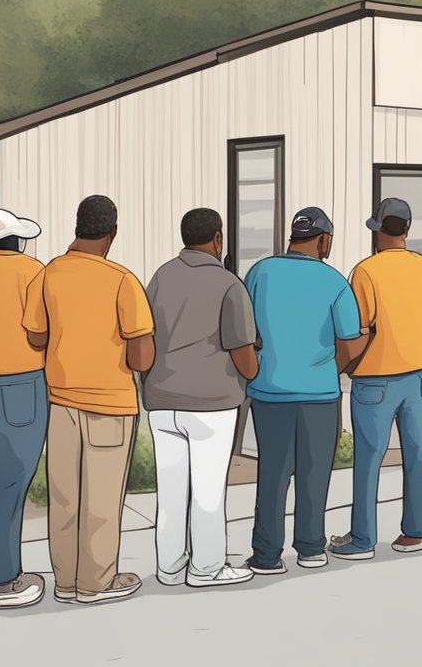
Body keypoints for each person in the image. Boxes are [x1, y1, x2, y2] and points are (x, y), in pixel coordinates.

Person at [21, 195, 154, 605]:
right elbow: (142, 355)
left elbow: (35, 337)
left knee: (64, 496)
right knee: (101, 496)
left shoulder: (48, 275)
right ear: (112, 233)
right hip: (110, 404)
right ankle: (96, 582)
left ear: (77, 227)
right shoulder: (122, 280)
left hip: (60, 401)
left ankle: (65, 581)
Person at [244, 207, 367, 576]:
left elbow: (244, 329)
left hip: (269, 391)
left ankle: (266, 555)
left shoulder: (259, 272)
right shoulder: (334, 282)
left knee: (272, 473)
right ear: (324, 240)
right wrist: (333, 367)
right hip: (319, 394)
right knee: (315, 473)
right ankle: (311, 547)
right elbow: (350, 341)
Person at [142, 209, 258, 588]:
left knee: (172, 491)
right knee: (208, 490)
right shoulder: (229, 284)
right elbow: (243, 352)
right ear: (218, 239)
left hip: (161, 400)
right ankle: (207, 567)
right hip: (211, 403)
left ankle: (170, 567)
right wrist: (253, 368)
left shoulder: (160, 276)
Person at [331, 198, 422, 560]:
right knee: (416, 456)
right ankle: (414, 532)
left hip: (375, 379)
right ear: (408, 229)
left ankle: (363, 538)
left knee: (369, 458)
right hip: (419, 377)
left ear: (380, 230)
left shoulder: (366, 271)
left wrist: (346, 366)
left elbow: (357, 330)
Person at [0, 209, 47, 609]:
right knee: (11, 482)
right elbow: (40, 330)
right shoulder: (32, 272)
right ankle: (4, 579)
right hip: (20, 382)